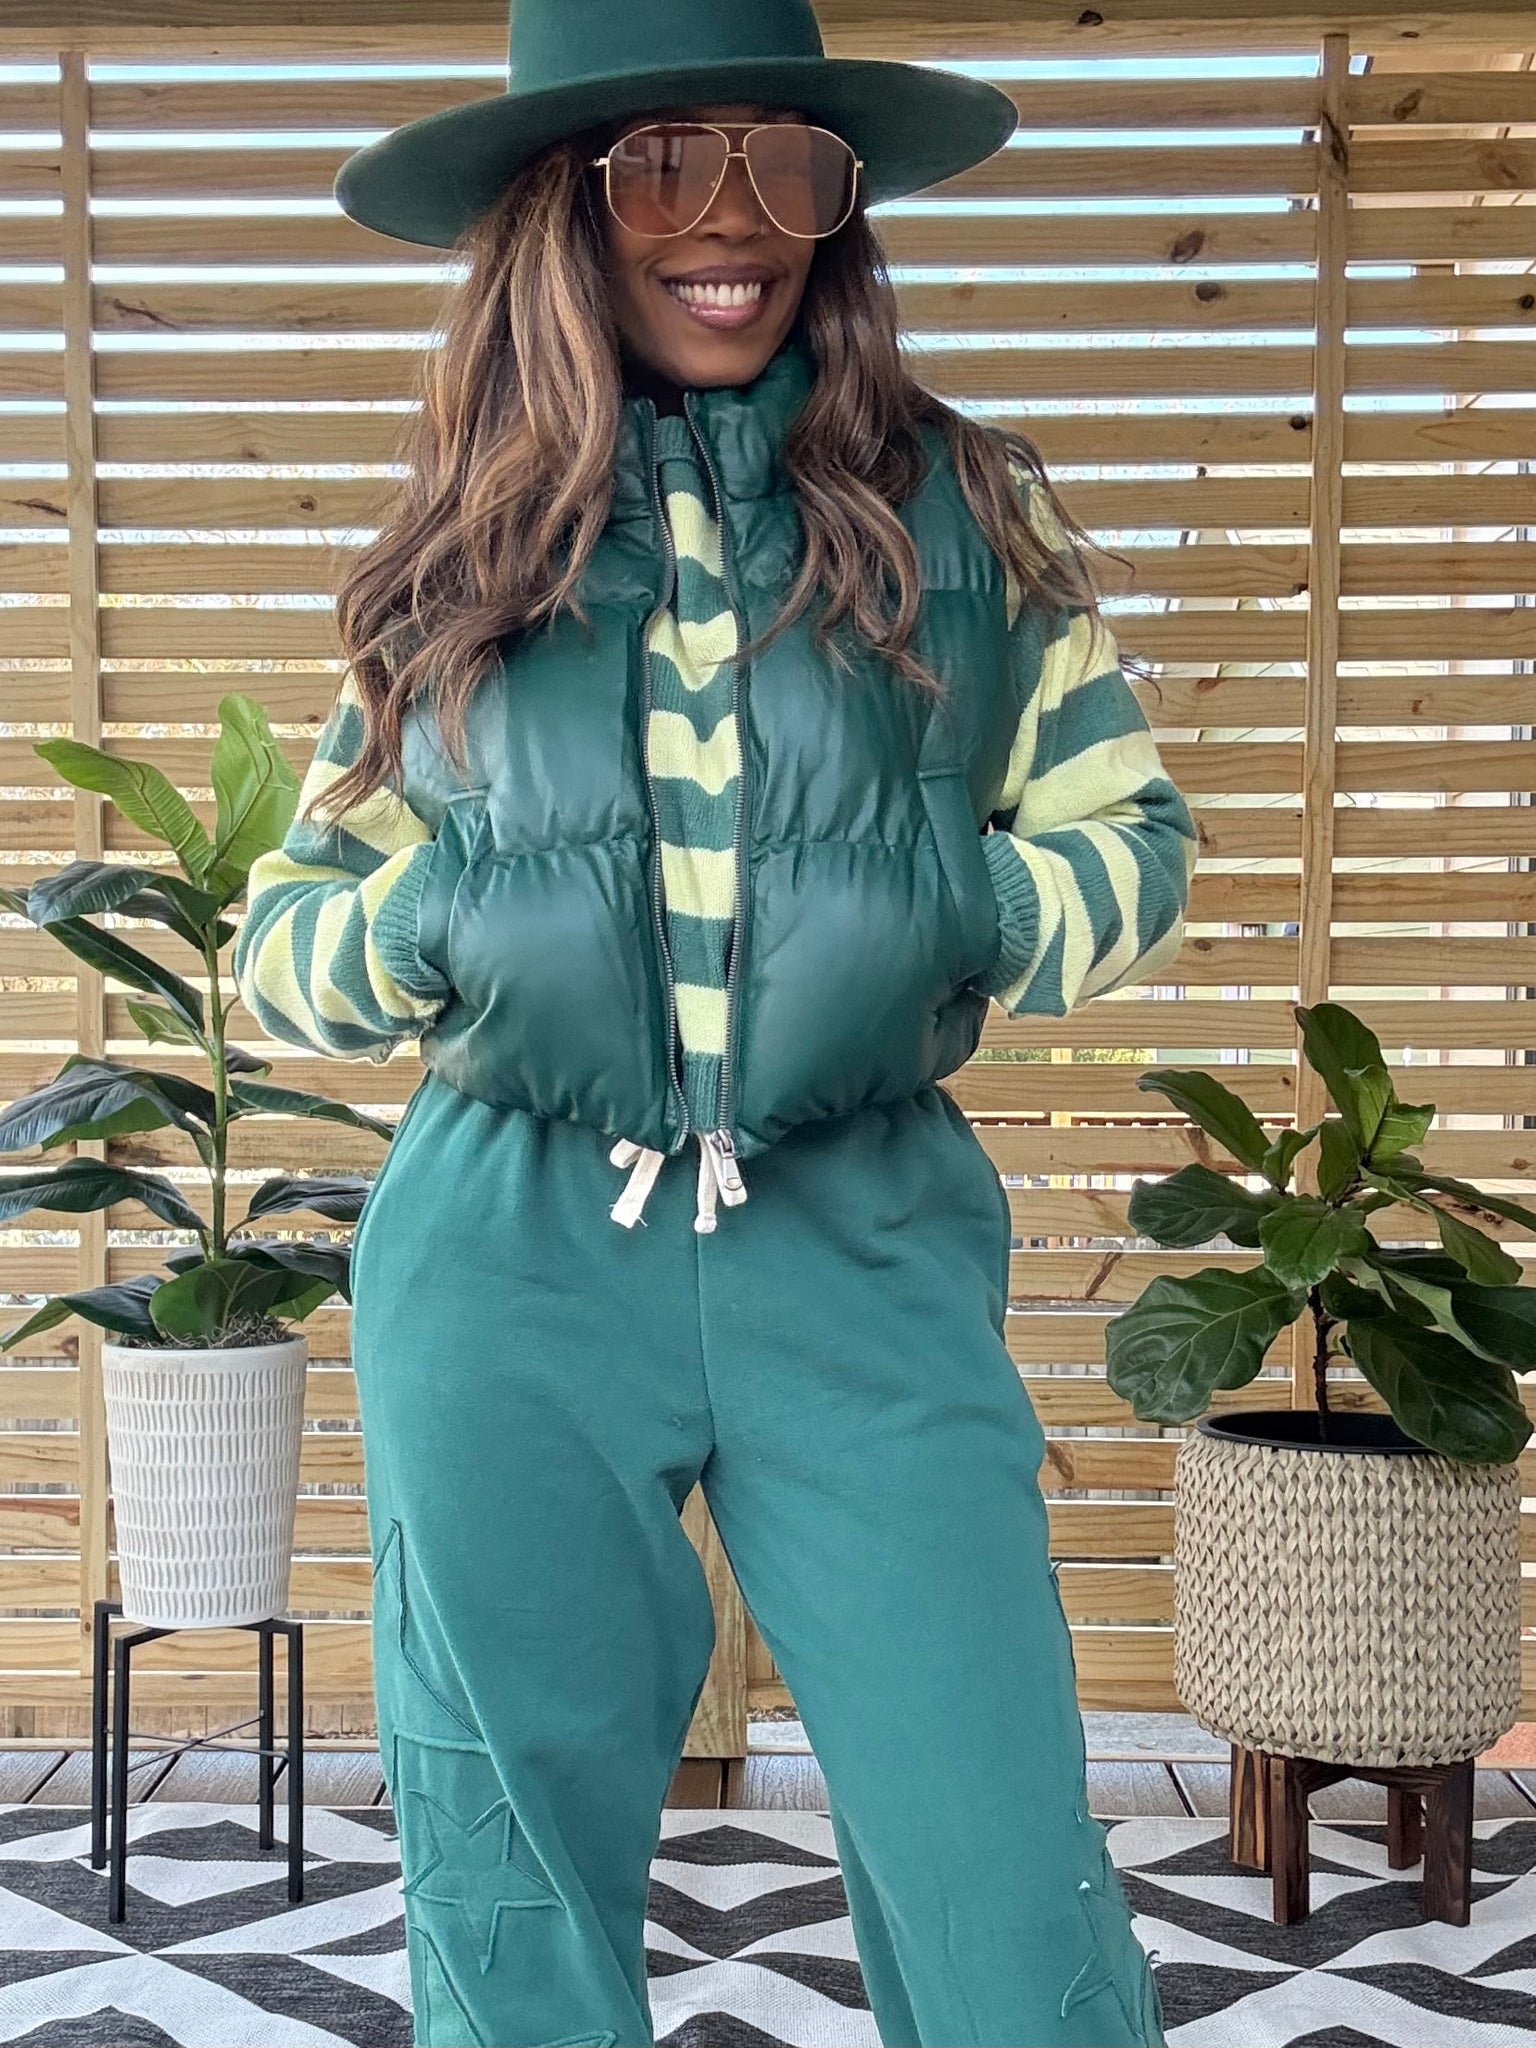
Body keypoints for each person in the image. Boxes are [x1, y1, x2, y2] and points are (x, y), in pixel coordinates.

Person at [233, 2, 1195, 2042]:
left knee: (997, 1852)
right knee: (511, 1869)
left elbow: (1136, 843)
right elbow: (283, 943)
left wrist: (966, 904)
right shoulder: (452, 564)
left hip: (862, 1233)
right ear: (561, 216)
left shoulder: (971, 516)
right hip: (511, 1250)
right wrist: (437, 913)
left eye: (790, 165)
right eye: (668, 164)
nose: (733, 220)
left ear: (841, 208)